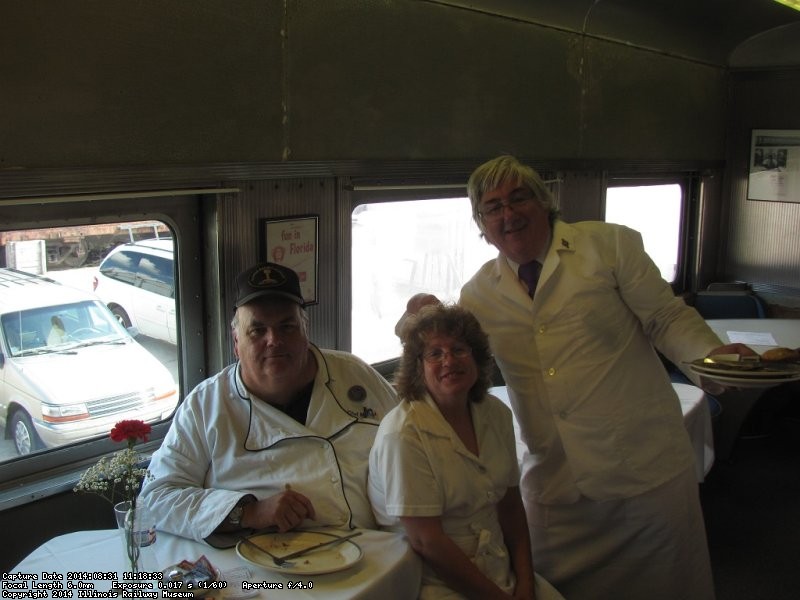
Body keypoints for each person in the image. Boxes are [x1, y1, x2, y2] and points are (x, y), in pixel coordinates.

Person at [398, 155, 757, 600]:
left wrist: (713, 357)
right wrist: (420, 314)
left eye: (518, 197)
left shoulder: (609, 247)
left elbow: (665, 318)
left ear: (544, 201)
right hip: (556, 485)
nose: (508, 214)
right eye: (493, 207)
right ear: (482, 224)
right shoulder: (479, 293)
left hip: (642, 473)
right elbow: (448, 348)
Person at [139, 262, 398, 545]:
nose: (274, 340)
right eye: (257, 330)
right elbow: (157, 498)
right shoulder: (206, 406)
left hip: (375, 551)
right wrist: (248, 512)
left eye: (287, 327)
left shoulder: (354, 374)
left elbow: (412, 442)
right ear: (236, 342)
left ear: (305, 331)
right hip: (272, 566)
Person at [370, 303, 564, 600]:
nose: (449, 360)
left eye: (459, 349)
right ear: (418, 368)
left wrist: (526, 584)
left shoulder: (495, 413)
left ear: (477, 357)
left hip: (499, 567)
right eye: (435, 353)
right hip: (432, 580)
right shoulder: (403, 433)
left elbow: (511, 508)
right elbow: (427, 541)